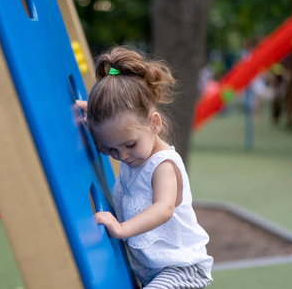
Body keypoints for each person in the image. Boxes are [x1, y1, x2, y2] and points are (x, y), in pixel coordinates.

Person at [77, 46, 213, 288]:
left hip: (182, 268)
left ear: (154, 123)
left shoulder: (163, 165)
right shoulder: (134, 148)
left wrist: (121, 229)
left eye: (129, 144)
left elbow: (164, 208)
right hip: (153, 270)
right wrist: (93, 120)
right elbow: (113, 132)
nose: (122, 156)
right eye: (111, 149)